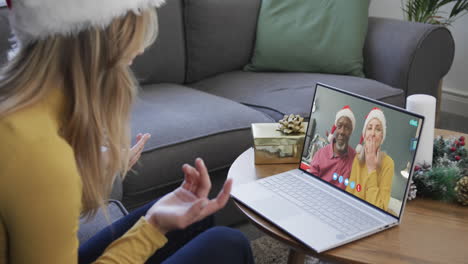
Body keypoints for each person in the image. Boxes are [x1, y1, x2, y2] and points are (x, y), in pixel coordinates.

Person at [0, 1, 254, 263]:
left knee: (191, 219)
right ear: (104, 36)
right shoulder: (37, 152)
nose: (141, 48)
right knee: (227, 244)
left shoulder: (19, 110)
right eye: (135, 29)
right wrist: (153, 229)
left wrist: (89, 176)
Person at [346, 107, 395, 211]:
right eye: (369, 128)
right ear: (364, 135)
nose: (372, 133)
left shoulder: (388, 163)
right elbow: (350, 190)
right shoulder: (357, 158)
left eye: (378, 129)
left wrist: (371, 169)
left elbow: (380, 208)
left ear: (382, 137)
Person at [308, 105, 356, 190]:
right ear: (335, 129)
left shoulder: (355, 159)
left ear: (351, 131)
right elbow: (311, 185)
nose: (342, 132)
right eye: (339, 126)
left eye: (347, 128)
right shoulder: (320, 154)